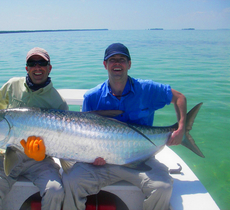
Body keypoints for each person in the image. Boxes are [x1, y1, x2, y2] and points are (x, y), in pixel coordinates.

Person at [62, 43, 187, 210]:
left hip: (140, 158)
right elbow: (85, 137)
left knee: (163, 187)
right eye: (112, 60)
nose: (117, 64)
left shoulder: (147, 89)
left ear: (129, 64)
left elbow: (179, 98)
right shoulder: (92, 97)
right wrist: (91, 157)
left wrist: (181, 128)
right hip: (102, 164)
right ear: (105, 65)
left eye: (122, 59)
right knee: (71, 181)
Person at [0, 47, 69, 210]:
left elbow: (63, 141)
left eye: (42, 63)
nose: (37, 67)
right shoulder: (12, 85)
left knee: (55, 190)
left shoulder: (58, 102)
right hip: (4, 155)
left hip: (40, 162)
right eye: (32, 63)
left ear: (49, 68)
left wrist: (42, 154)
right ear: (26, 68)